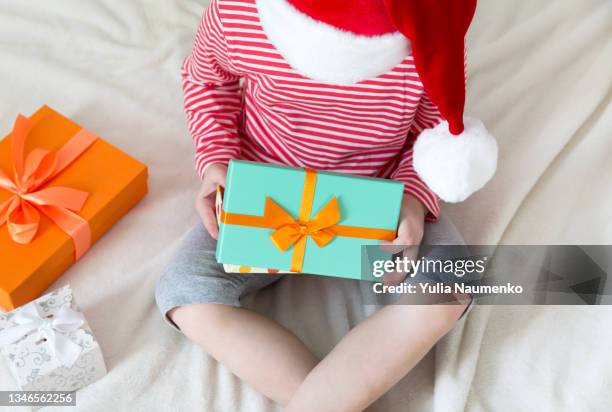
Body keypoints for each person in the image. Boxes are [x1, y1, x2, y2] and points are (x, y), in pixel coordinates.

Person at [156, 0, 494, 410]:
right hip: (265, 190)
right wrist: (215, 158)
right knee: (185, 293)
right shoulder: (239, 13)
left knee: (453, 282)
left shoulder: (429, 28)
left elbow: (436, 126)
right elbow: (207, 79)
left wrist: (412, 196)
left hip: (381, 192)